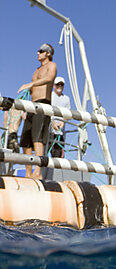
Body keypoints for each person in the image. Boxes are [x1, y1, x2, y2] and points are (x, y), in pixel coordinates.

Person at [18, 43, 57, 177]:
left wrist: (32, 83)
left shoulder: (52, 65)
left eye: (40, 51)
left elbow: (49, 79)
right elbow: (32, 88)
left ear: (48, 53)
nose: (37, 53)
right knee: (25, 140)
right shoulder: (36, 70)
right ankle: (28, 173)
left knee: (37, 138)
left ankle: (37, 173)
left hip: (43, 103)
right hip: (32, 105)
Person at [49, 76, 72, 158]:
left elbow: (68, 113)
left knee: (58, 154)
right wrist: (52, 122)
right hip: (49, 130)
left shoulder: (66, 99)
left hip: (60, 131)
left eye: (61, 84)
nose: (60, 86)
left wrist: (63, 122)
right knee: (45, 151)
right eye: (58, 84)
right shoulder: (50, 95)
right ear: (54, 85)